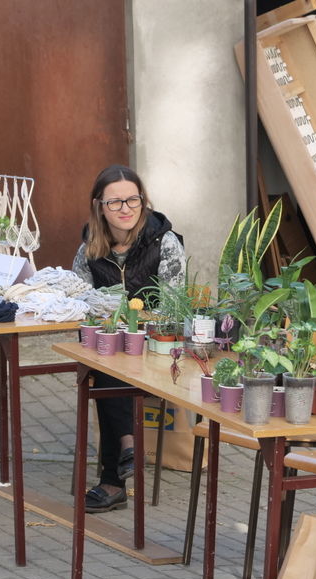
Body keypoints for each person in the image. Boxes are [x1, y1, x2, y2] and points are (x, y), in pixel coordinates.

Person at [71, 164, 185, 513]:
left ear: (143, 200)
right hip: (111, 348)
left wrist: (133, 327)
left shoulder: (164, 243)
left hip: (157, 346)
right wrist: (109, 328)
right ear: (99, 207)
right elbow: (79, 303)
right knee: (106, 361)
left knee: (110, 368)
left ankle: (114, 477)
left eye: (133, 200)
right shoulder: (90, 248)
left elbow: (173, 308)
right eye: (115, 202)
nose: (125, 209)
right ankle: (127, 449)